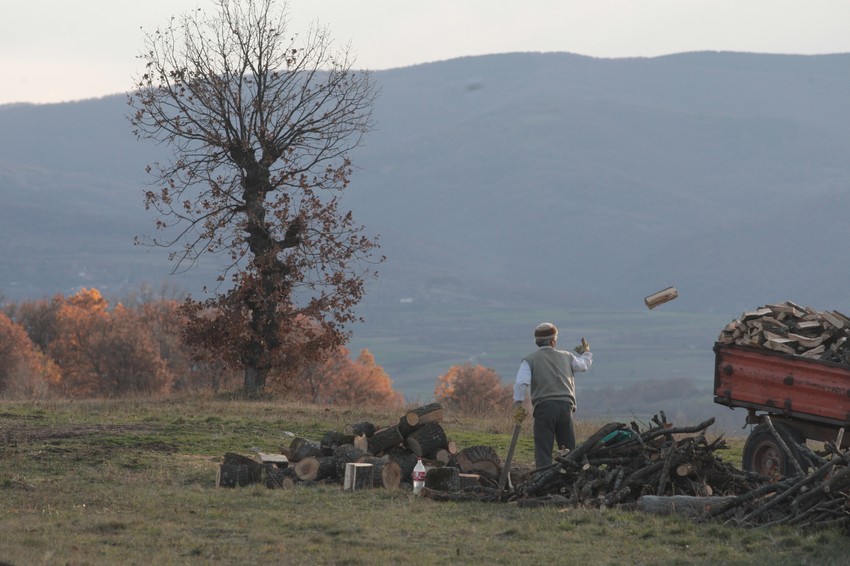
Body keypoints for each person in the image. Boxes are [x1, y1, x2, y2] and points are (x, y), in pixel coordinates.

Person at [512, 322, 592, 470]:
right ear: (553, 341)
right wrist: (586, 352)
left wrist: (518, 405)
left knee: (543, 448)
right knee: (568, 449)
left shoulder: (530, 360)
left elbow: (521, 383)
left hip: (544, 407)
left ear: (537, 342)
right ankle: (570, 476)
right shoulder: (567, 356)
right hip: (566, 407)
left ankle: (542, 476)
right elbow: (584, 365)